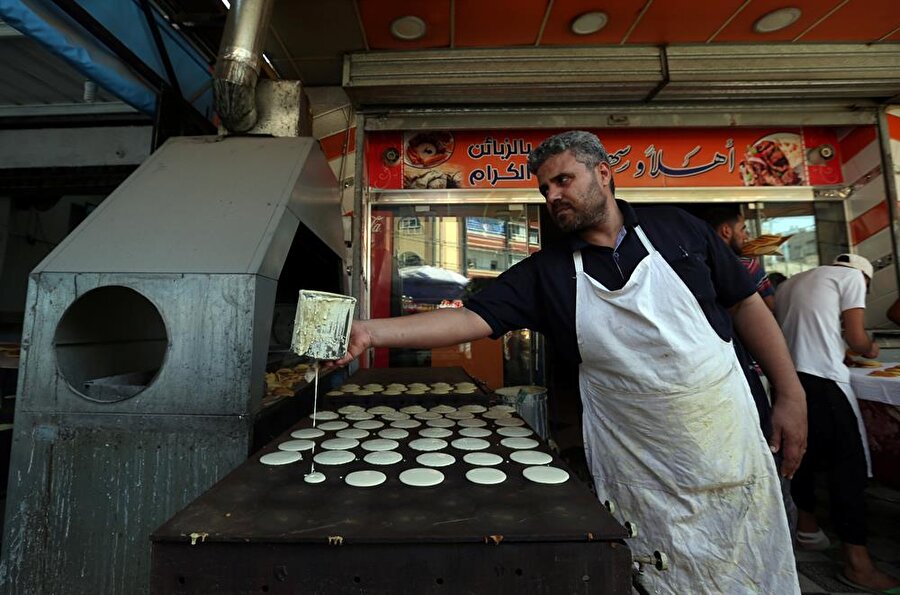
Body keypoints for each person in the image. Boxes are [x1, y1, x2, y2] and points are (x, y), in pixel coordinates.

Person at [335, 131, 807, 594]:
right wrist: (372, 331)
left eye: (562, 180)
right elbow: (473, 317)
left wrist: (790, 392)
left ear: (604, 173)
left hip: (730, 441)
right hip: (642, 464)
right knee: (661, 572)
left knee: (753, 564)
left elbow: (746, 305)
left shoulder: (679, 230)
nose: (552, 195)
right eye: (544, 188)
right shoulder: (550, 271)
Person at [776, 254, 900, 593]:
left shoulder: (793, 282)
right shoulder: (852, 279)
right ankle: (858, 564)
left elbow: (810, 332)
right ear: (864, 275)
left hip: (792, 381)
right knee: (849, 468)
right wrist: (870, 348)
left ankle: (808, 528)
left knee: (802, 456)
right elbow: (857, 338)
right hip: (826, 382)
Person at [701, 205, 776, 311]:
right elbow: (772, 305)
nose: (745, 236)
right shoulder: (747, 266)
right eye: (742, 230)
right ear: (726, 231)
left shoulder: (701, 264)